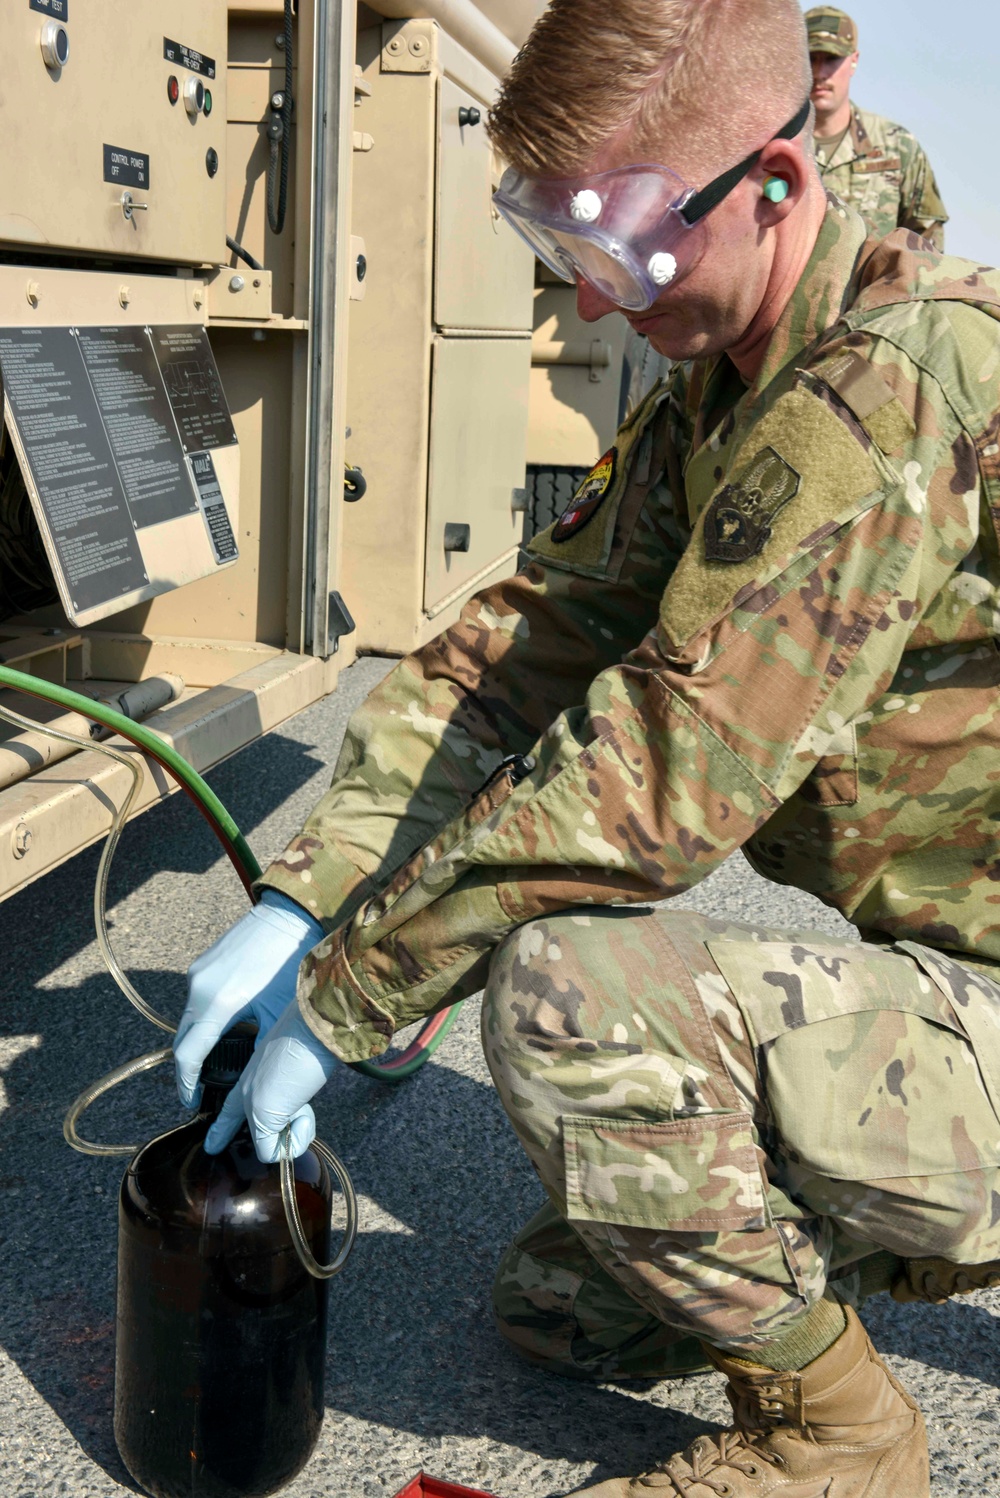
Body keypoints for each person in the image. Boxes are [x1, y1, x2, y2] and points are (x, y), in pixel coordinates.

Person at [174, 0, 1000, 1492]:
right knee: (563, 1312)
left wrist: (346, 996)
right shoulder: (729, 384)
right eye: (562, 253)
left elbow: (661, 776)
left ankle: (843, 1441)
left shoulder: (894, 382)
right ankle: (887, 1218)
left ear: (773, 186)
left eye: (619, 254)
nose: (596, 307)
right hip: (944, 971)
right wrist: (306, 891)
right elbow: (525, 645)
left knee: (575, 991)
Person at [806, 6, 948, 247]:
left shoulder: (898, 147)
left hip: (874, 286)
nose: (820, 72)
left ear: (853, 61)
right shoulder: (772, 147)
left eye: (831, 59)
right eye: (810, 58)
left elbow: (928, 246)